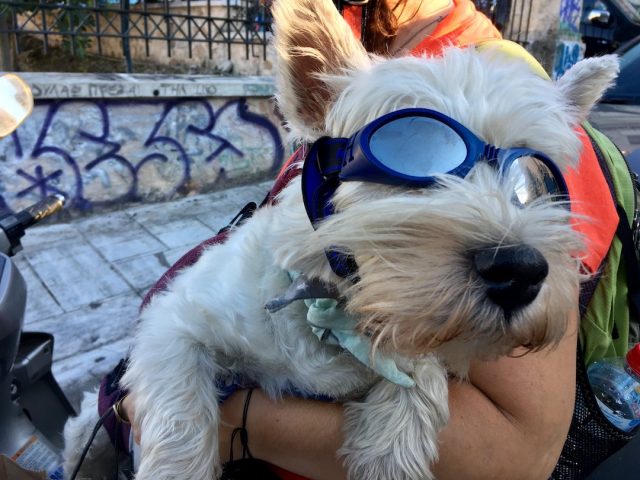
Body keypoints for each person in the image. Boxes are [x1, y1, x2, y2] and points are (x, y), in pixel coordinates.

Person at [115, 1, 636, 479]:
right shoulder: (369, 79)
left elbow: (523, 454)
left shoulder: (505, 77)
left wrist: (240, 424)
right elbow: (175, 330)